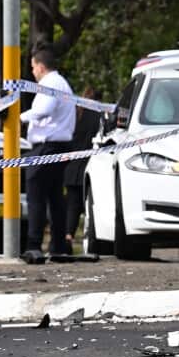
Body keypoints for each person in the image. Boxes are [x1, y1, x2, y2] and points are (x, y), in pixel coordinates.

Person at [19, 45, 76, 262]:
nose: (32, 72)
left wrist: (19, 117)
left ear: (41, 67)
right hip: (58, 146)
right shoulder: (62, 83)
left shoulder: (50, 84)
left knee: (36, 197)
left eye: (33, 67)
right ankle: (58, 246)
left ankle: (34, 245)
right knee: (55, 198)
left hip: (47, 147)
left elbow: (44, 110)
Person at [64, 87, 103, 253]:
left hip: (71, 167)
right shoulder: (100, 116)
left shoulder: (75, 114)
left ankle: (68, 237)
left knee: (72, 206)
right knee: (91, 205)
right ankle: (92, 238)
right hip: (91, 167)